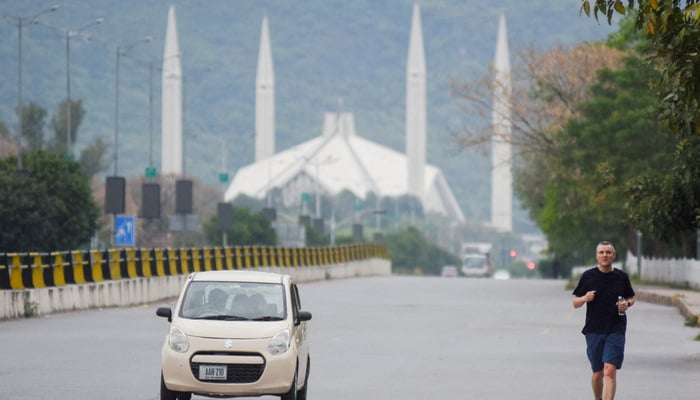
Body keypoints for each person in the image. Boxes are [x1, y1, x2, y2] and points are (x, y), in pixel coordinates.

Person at [572, 241, 636, 400]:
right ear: (597, 255)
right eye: (601, 252)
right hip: (594, 330)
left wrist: (626, 303)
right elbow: (575, 303)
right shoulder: (588, 276)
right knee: (598, 373)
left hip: (616, 329)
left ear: (613, 255)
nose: (605, 255)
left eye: (608, 252)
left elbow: (631, 297)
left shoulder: (621, 276)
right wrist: (585, 298)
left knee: (610, 370)